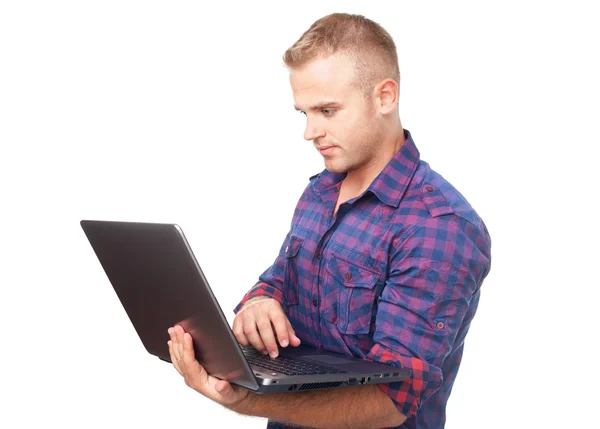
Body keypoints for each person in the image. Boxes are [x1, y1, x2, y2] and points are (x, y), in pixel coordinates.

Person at [167, 12, 491, 429]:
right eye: (303, 113)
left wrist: (243, 401)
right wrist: (258, 301)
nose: (310, 131)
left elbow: (389, 404)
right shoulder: (321, 190)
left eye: (327, 110)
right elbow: (280, 278)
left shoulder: (439, 227)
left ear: (385, 96)